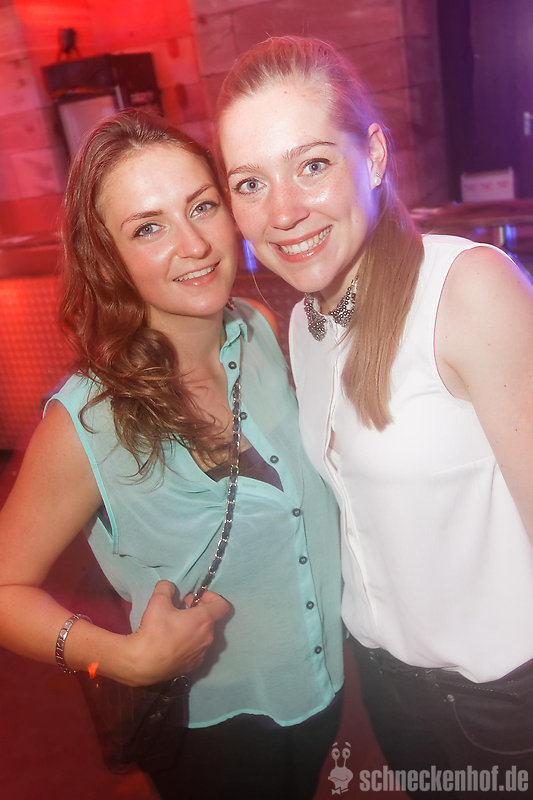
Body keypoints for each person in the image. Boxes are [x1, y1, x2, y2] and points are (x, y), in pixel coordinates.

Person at [215, 36, 533, 798]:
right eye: (250, 183)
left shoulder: (465, 289)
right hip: (387, 693)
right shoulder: (304, 324)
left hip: (501, 705)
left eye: (312, 165)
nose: (283, 211)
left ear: (376, 157)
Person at [0, 109, 344, 800]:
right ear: (108, 259)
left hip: (323, 693)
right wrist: (120, 658)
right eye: (147, 228)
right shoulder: (88, 420)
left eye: (202, 206)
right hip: (214, 732)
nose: (194, 245)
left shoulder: (257, 330)